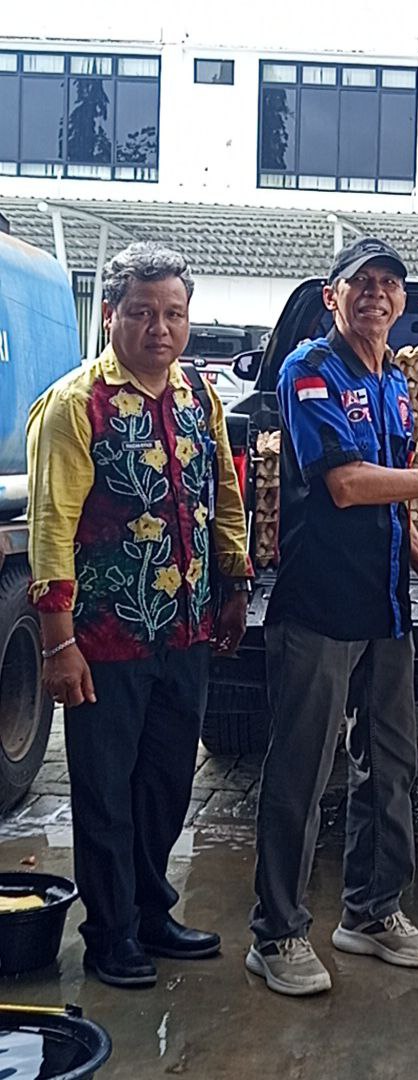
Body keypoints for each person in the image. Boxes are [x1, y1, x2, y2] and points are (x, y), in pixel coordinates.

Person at [247, 237, 418, 997]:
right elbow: (347, 485)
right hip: (322, 607)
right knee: (303, 767)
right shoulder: (309, 370)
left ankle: (369, 911)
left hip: (388, 605)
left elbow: (393, 507)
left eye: (389, 284)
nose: (376, 294)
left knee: (390, 762)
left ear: (403, 302)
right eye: (359, 282)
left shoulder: (395, 382)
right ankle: (276, 933)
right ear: (332, 297)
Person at [26, 241, 252, 988]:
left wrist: (234, 579)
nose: (160, 327)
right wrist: (59, 645)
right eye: (142, 313)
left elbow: (222, 491)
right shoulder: (76, 405)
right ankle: (110, 933)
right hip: (105, 638)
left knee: (165, 785)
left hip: (184, 631)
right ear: (112, 315)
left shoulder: (198, 396)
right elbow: (52, 529)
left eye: (173, 313)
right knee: (104, 791)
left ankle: (153, 910)